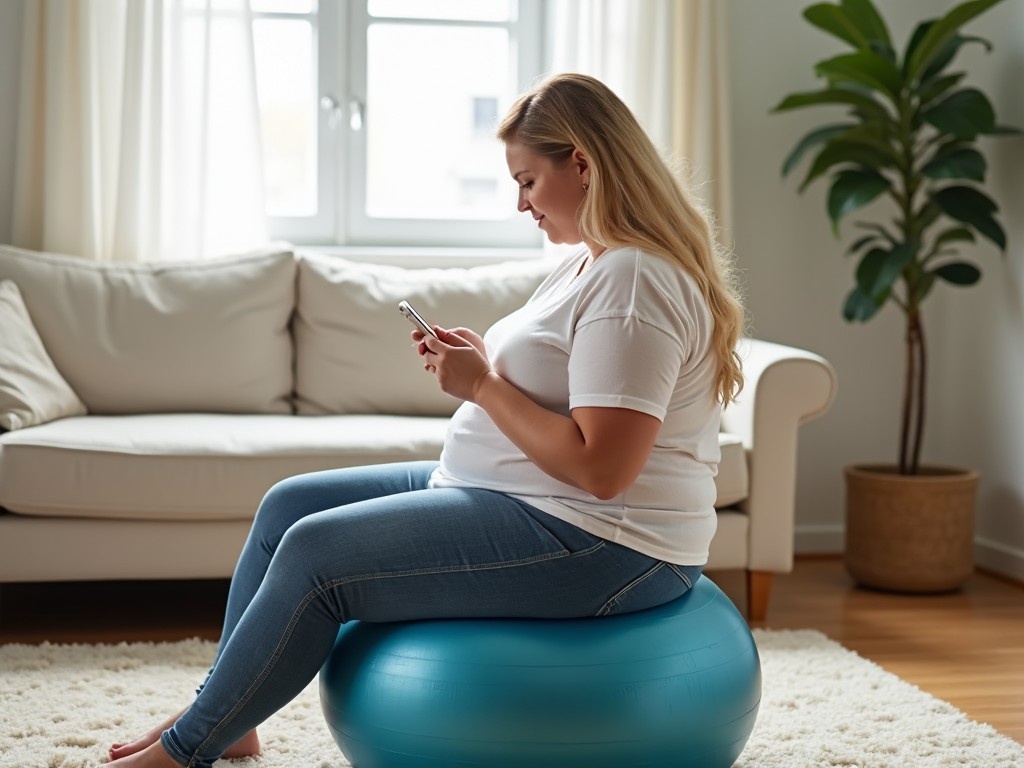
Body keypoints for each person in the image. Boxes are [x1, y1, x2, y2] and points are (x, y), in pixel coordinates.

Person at [103, 72, 745, 768]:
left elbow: (602, 470)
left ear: (583, 163)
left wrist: (482, 388)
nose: (521, 203)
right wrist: (484, 364)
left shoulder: (636, 282)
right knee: (287, 504)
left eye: (529, 181)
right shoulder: (587, 263)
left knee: (316, 555)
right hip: (523, 497)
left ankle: (186, 749)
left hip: (601, 544)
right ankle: (228, 716)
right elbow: (562, 381)